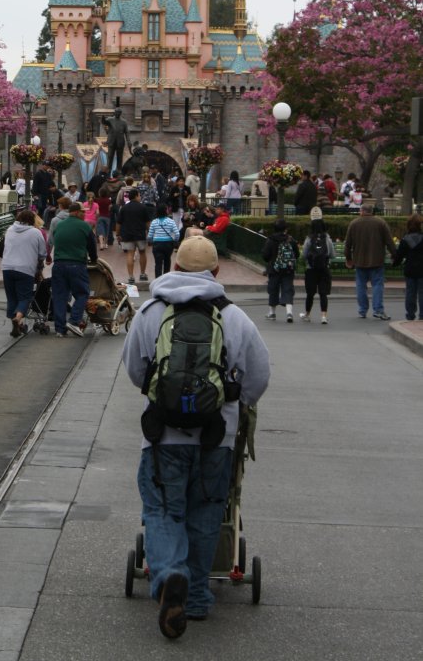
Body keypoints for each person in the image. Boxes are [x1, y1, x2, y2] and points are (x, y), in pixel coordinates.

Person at [122, 235, 270, 637]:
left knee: (163, 510)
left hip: (162, 437)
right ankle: (199, 597)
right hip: (215, 437)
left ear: (174, 268)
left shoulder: (151, 311)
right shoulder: (235, 317)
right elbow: (258, 377)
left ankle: (170, 575)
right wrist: (231, 406)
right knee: (206, 512)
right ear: (217, 271)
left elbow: (136, 371)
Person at [50, 202, 97, 337]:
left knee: (59, 296)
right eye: (83, 212)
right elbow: (92, 246)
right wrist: (94, 259)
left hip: (58, 265)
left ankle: (59, 329)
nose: (84, 215)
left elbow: (54, 241)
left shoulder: (59, 225)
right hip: (77, 265)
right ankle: (74, 321)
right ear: (76, 212)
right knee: (83, 293)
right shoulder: (85, 226)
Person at [344, 204, 397, 320]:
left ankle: (362, 310)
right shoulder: (380, 223)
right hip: (377, 260)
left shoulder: (354, 224)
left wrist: (348, 259)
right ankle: (378, 310)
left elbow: (347, 245)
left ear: (361, 211)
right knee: (377, 285)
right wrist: (395, 255)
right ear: (372, 212)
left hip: (359, 260)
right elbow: (389, 242)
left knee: (360, 285)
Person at [1, 208, 47, 337]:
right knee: (25, 297)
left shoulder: (9, 230)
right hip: (25, 269)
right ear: (31, 220)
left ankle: (18, 324)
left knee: (11, 298)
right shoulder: (36, 232)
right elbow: (42, 253)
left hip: (7, 267)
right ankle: (18, 318)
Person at [299, 208, 335, 324]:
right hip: (324, 268)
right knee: (323, 293)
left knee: (310, 293)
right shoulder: (327, 238)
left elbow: (304, 254)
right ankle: (324, 316)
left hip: (311, 269)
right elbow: (332, 254)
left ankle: (307, 314)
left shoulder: (309, 238)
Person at [262, 218, 300, 322]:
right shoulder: (290, 240)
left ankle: (272, 313)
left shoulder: (271, 240)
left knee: (273, 289)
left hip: (274, 269)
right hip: (288, 269)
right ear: (285, 229)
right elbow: (297, 254)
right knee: (288, 289)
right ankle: (289, 313)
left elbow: (265, 256)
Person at [116, 188, 151, 284]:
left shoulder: (124, 208)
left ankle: (131, 276)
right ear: (136, 196)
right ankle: (142, 274)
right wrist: (150, 233)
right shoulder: (143, 207)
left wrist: (118, 234)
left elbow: (118, 223)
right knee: (142, 253)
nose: (140, 197)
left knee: (130, 254)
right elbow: (147, 222)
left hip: (127, 234)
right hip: (140, 234)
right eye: (139, 195)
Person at [394, 213, 423, 321]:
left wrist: (395, 263)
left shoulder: (405, 240)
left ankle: (410, 314)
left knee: (410, 293)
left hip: (410, 269)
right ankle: (422, 316)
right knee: (422, 293)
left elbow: (399, 255)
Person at [147, 202, 180, 277]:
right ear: (166, 211)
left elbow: (149, 236)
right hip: (168, 244)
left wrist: (151, 241)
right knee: (167, 262)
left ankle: (158, 280)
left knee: (158, 264)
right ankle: (166, 279)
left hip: (157, 244)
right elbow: (177, 234)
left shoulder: (154, 222)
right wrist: (175, 240)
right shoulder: (171, 221)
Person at [103, 108, 132, 173]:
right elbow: (104, 122)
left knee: (119, 157)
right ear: (114, 112)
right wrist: (103, 118)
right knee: (110, 156)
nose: (117, 113)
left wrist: (128, 141)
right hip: (111, 141)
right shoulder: (110, 119)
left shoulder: (124, 122)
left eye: (119, 112)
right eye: (116, 112)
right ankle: (108, 171)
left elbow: (126, 132)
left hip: (120, 141)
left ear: (120, 113)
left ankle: (119, 171)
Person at [95, 185, 112, 250]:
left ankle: (101, 245)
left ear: (100, 193)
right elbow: (110, 208)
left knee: (100, 231)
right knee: (106, 230)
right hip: (107, 216)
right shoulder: (108, 200)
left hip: (100, 217)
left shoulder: (97, 200)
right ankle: (105, 244)